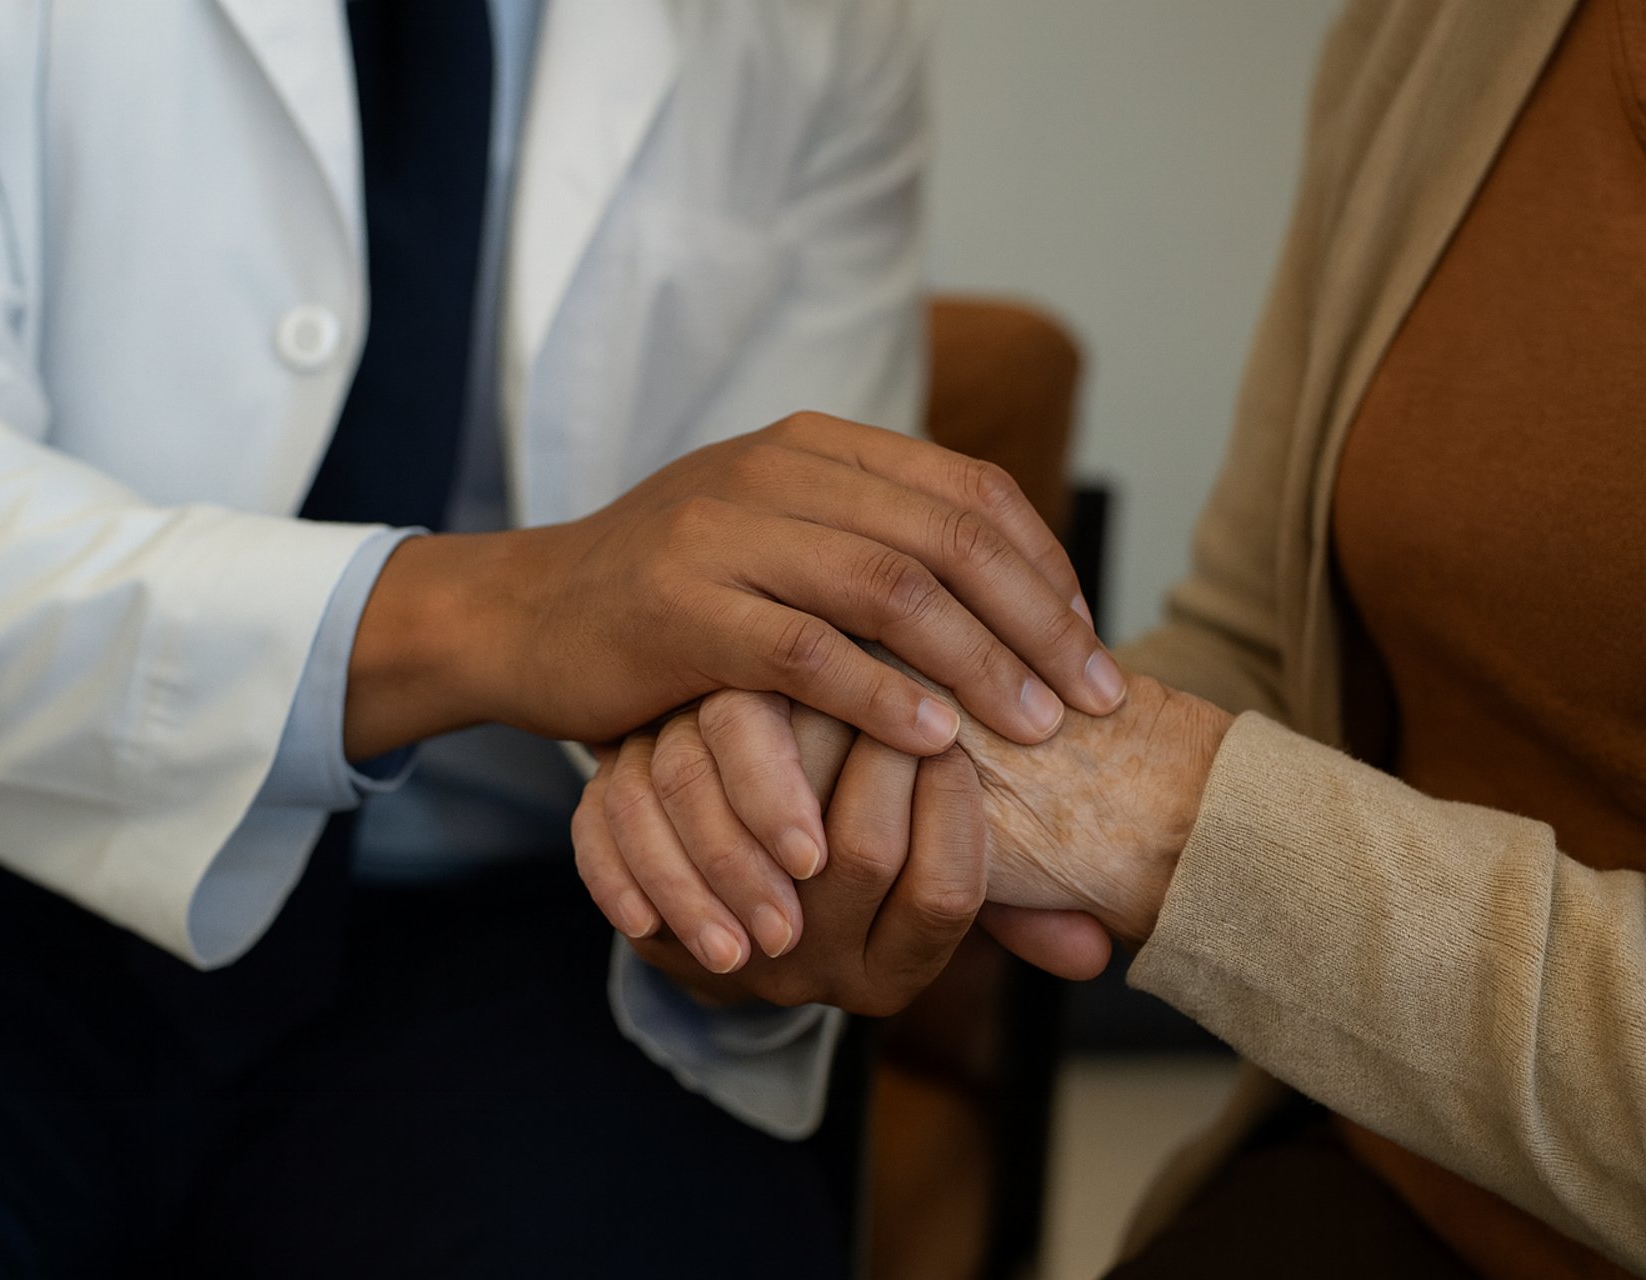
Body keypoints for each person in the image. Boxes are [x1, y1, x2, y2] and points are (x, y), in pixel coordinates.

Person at [0, 1, 1134, 1273]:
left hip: (531, 922)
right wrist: (512, 610)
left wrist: (754, 813)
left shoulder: (814, 25)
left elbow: (795, 599)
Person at [576, 0, 1646, 1274]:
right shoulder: (1445, 31)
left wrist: (1173, 818)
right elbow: (1263, 648)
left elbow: (1173, 779)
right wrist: (834, 736)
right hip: (1404, 1168)